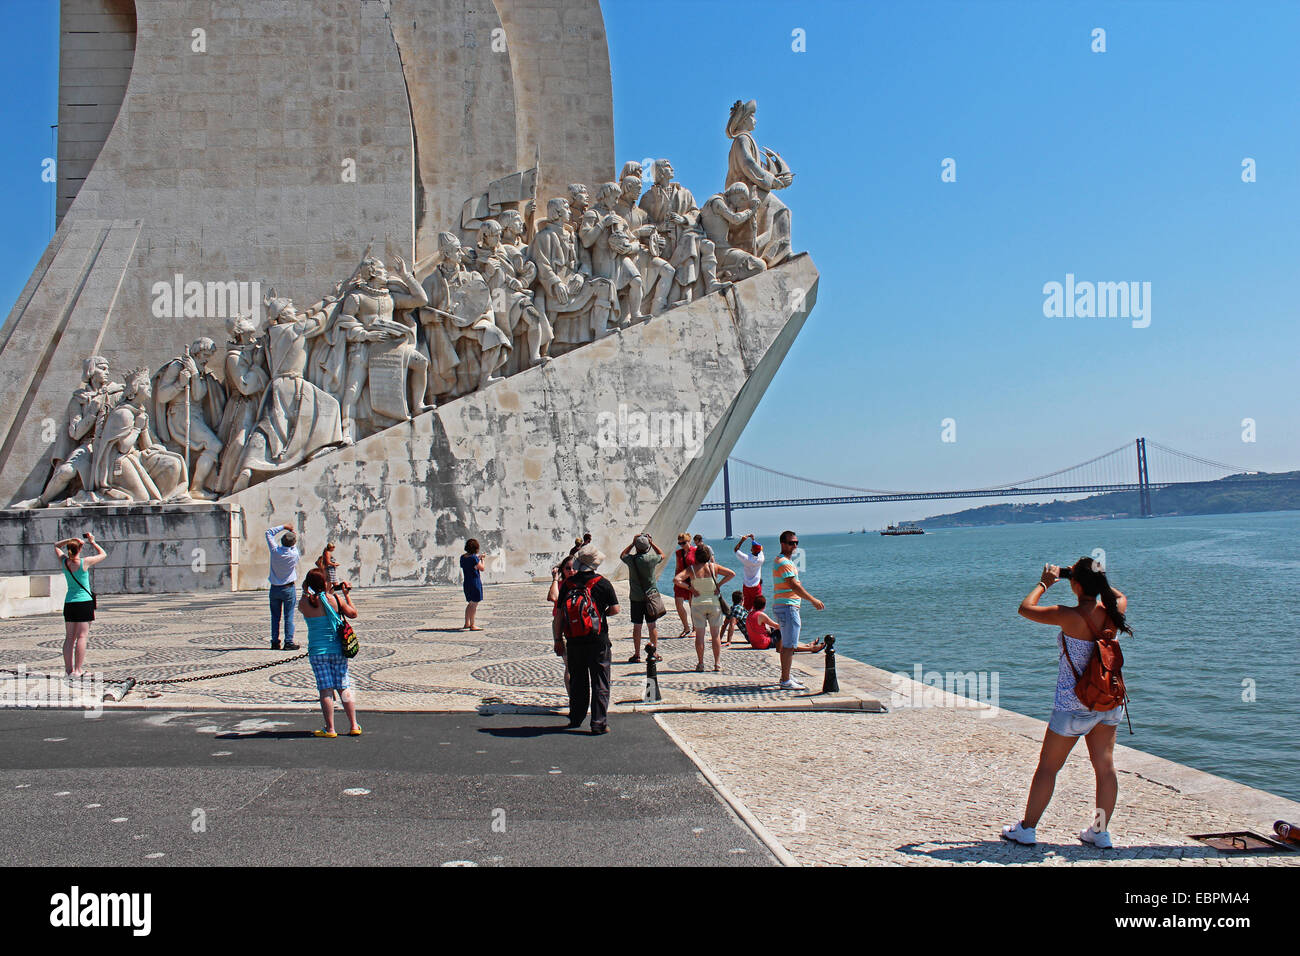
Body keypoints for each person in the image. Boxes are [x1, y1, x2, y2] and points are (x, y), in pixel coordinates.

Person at [1002, 557, 1133, 849]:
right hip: (1108, 702)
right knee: (1105, 768)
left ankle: (1027, 829)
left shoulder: (1067, 615)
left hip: (1072, 705)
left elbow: (1025, 608)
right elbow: (1120, 595)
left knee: (1048, 768)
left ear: (1074, 585)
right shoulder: (1115, 611)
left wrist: (1045, 583)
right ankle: (1099, 832)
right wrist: (1098, 581)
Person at [553, 543, 620, 734]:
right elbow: (615, 609)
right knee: (600, 681)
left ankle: (576, 718)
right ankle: (598, 723)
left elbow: (559, 615)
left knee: (578, 681)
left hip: (574, 640)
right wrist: (600, 615)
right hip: (598, 639)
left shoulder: (568, 584)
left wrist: (558, 639)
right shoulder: (602, 583)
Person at [298, 568, 361, 738]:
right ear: (326, 582)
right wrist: (346, 594)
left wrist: (305, 590)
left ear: (308, 584)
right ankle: (354, 725)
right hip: (337, 650)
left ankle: (330, 728)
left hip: (317, 652)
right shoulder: (335, 599)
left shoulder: (304, 604)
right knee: (343, 686)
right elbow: (353, 614)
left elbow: (308, 600)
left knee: (325, 690)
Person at [772, 530, 825, 690]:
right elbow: (794, 585)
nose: (794, 545)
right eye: (791, 543)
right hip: (788, 607)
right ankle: (785, 681)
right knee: (789, 645)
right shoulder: (784, 562)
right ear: (782, 544)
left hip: (785, 605)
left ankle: (786, 676)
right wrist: (813, 600)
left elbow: (794, 584)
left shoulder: (783, 561)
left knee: (788, 644)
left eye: (796, 543)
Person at [674, 544, 735, 673]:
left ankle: (701, 663)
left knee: (700, 636)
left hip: (698, 604)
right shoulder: (714, 567)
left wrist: (690, 588)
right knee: (715, 636)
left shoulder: (691, 569)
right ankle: (717, 663)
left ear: (696, 556)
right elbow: (731, 574)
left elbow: (676, 579)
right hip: (713, 604)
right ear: (708, 556)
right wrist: (719, 584)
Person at [54, 533, 107, 678]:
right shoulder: (85, 562)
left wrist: (71, 540)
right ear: (80, 549)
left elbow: (56, 545)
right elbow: (103, 554)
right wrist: (92, 542)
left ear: (69, 548)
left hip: (70, 602)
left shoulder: (64, 562)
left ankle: (68, 670)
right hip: (84, 602)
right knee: (82, 636)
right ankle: (78, 670)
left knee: (69, 637)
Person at [620, 533, 665, 663]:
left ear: (637, 547)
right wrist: (652, 543)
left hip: (635, 598)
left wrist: (632, 543)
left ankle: (637, 654)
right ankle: (654, 652)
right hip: (650, 597)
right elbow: (662, 554)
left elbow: (622, 555)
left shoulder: (631, 560)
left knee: (637, 627)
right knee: (652, 626)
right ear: (647, 547)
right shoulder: (651, 559)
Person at [266, 522, 300, 650]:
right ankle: (288, 641)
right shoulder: (294, 554)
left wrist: (284, 527)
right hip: (288, 588)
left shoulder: (275, 551)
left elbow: (268, 533)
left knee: (275, 616)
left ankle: (275, 641)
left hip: (274, 587)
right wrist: (292, 534)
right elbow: (293, 544)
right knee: (289, 615)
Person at [547, 555, 577, 694]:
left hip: (578, 624)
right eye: (568, 568)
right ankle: (573, 698)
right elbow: (553, 597)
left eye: (574, 568)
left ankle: (578, 697)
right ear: (562, 570)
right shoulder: (560, 585)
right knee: (569, 664)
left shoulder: (581, 583)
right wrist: (555, 578)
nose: (571, 571)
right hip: (562, 625)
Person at [672, 533, 696, 638]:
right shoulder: (678, 553)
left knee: (693, 606)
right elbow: (677, 567)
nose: (682, 545)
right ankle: (686, 627)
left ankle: (695, 629)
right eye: (680, 543)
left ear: (689, 541)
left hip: (692, 580)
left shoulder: (695, 551)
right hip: (681, 580)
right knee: (678, 603)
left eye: (683, 542)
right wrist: (676, 579)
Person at [733, 533, 765, 609]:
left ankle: (746, 620)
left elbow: (736, 549)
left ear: (752, 549)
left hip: (746, 586)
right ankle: (757, 620)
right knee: (758, 606)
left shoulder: (746, 558)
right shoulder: (761, 559)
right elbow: (759, 550)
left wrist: (742, 540)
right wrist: (753, 539)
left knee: (747, 606)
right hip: (756, 586)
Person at [461, 539, 485, 630]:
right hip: (475, 582)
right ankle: (473, 624)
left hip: (467, 582)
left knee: (470, 603)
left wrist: (477, 558)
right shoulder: (474, 558)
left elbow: (470, 564)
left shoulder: (463, 557)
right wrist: (482, 559)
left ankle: (467, 623)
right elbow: (482, 568)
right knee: (474, 605)